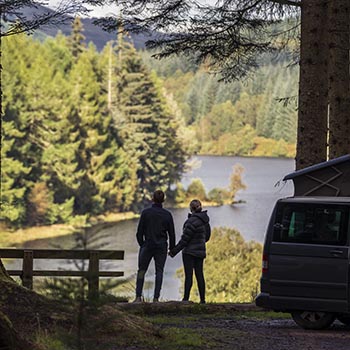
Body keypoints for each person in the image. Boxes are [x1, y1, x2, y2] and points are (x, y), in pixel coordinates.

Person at [134, 190, 175, 302]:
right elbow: (171, 234)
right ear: (163, 200)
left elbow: (139, 232)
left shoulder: (146, 213)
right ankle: (156, 299)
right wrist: (172, 249)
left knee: (142, 270)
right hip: (161, 246)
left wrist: (142, 245)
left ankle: (138, 297)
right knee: (159, 271)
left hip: (147, 245)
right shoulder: (167, 215)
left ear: (152, 199)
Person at [169, 199, 211, 304]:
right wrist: (199, 242)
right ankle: (202, 300)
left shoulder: (190, 222)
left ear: (191, 209)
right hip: (200, 252)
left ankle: (186, 299)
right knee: (200, 275)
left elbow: (184, 240)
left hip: (189, 253)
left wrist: (173, 252)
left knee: (189, 276)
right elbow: (207, 237)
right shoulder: (205, 221)